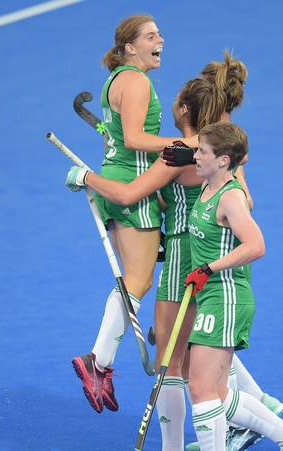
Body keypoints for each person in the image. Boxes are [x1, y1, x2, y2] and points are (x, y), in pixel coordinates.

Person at [70, 13, 200, 414]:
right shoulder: (137, 80)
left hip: (125, 180)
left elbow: (120, 137)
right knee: (139, 281)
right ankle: (98, 361)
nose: (160, 39)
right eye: (150, 35)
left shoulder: (118, 81)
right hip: (132, 188)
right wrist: (190, 143)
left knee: (136, 280)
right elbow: (135, 139)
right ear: (130, 47)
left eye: (160, 33)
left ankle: (101, 362)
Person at [183, 121, 283, 451]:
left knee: (201, 388)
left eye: (202, 151)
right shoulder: (207, 185)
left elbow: (256, 245)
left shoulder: (229, 198)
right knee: (218, 392)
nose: (194, 155)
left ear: (224, 160)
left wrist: (208, 268)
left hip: (225, 297)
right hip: (213, 295)